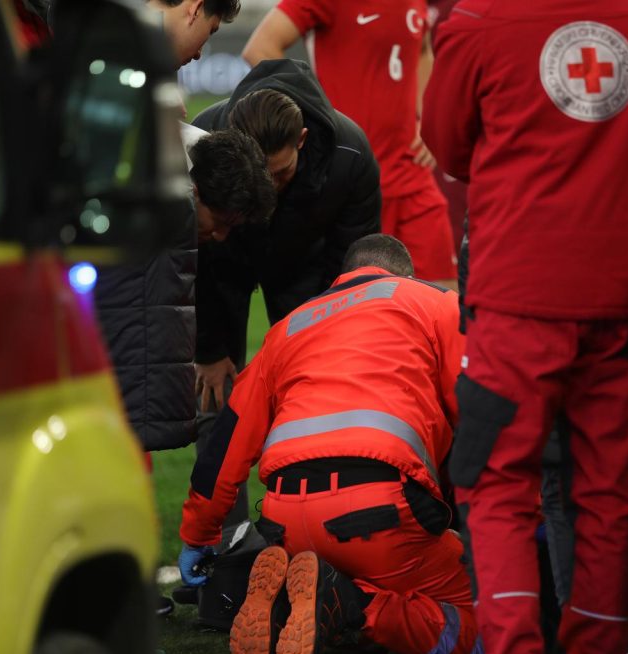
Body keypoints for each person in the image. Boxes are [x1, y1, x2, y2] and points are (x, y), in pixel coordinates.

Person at [422, 2, 628, 654]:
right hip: (623, 294)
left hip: (517, 298)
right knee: (611, 491)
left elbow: (448, 147)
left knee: (496, 485)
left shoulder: (477, 21)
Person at [178, 234, 483, 654]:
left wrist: (198, 535)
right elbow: (479, 412)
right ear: (404, 274)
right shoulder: (434, 303)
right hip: (381, 513)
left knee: (347, 574)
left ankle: (294, 602)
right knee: (492, 626)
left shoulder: (287, 328)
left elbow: (226, 444)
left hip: (287, 521)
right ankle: (355, 606)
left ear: (344, 276)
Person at [91, 0, 240, 456]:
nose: (200, 54)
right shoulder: (108, 56)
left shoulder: (132, 67)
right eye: (209, 32)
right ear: (193, 9)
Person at [190, 58, 381, 412]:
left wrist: (330, 341)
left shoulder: (350, 155)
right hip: (222, 265)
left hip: (305, 266)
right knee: (212, 401)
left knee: (314, 386)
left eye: (280, 174)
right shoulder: (205, 140)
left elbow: (351, 268)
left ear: (302, 140)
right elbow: (194, 259)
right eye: (259, 175)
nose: (270, 188)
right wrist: (209, 349)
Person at [240, 0, 459, 290]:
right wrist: (313, 113)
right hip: (353, 182)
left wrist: (427, 117)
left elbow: (422, 50)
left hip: (413, 176)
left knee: (445, 302)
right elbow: (260, 48)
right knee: (361, 304)